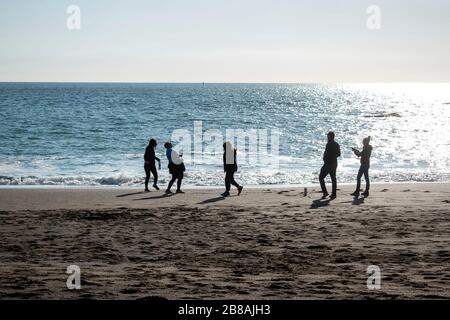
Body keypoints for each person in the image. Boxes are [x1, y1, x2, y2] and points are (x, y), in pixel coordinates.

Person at [319, 131, 341, 199]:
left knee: (321, 177)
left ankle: (325, 192)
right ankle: (334, 194)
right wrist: (333, 156)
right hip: (334, 163)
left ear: (330, 136)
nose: (327, 137)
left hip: (328, 163)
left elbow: (327, 153)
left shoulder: (329, 144)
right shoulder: (336, 144)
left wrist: (326, 158)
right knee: (333, 178)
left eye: (328, 136)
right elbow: (339, 154)